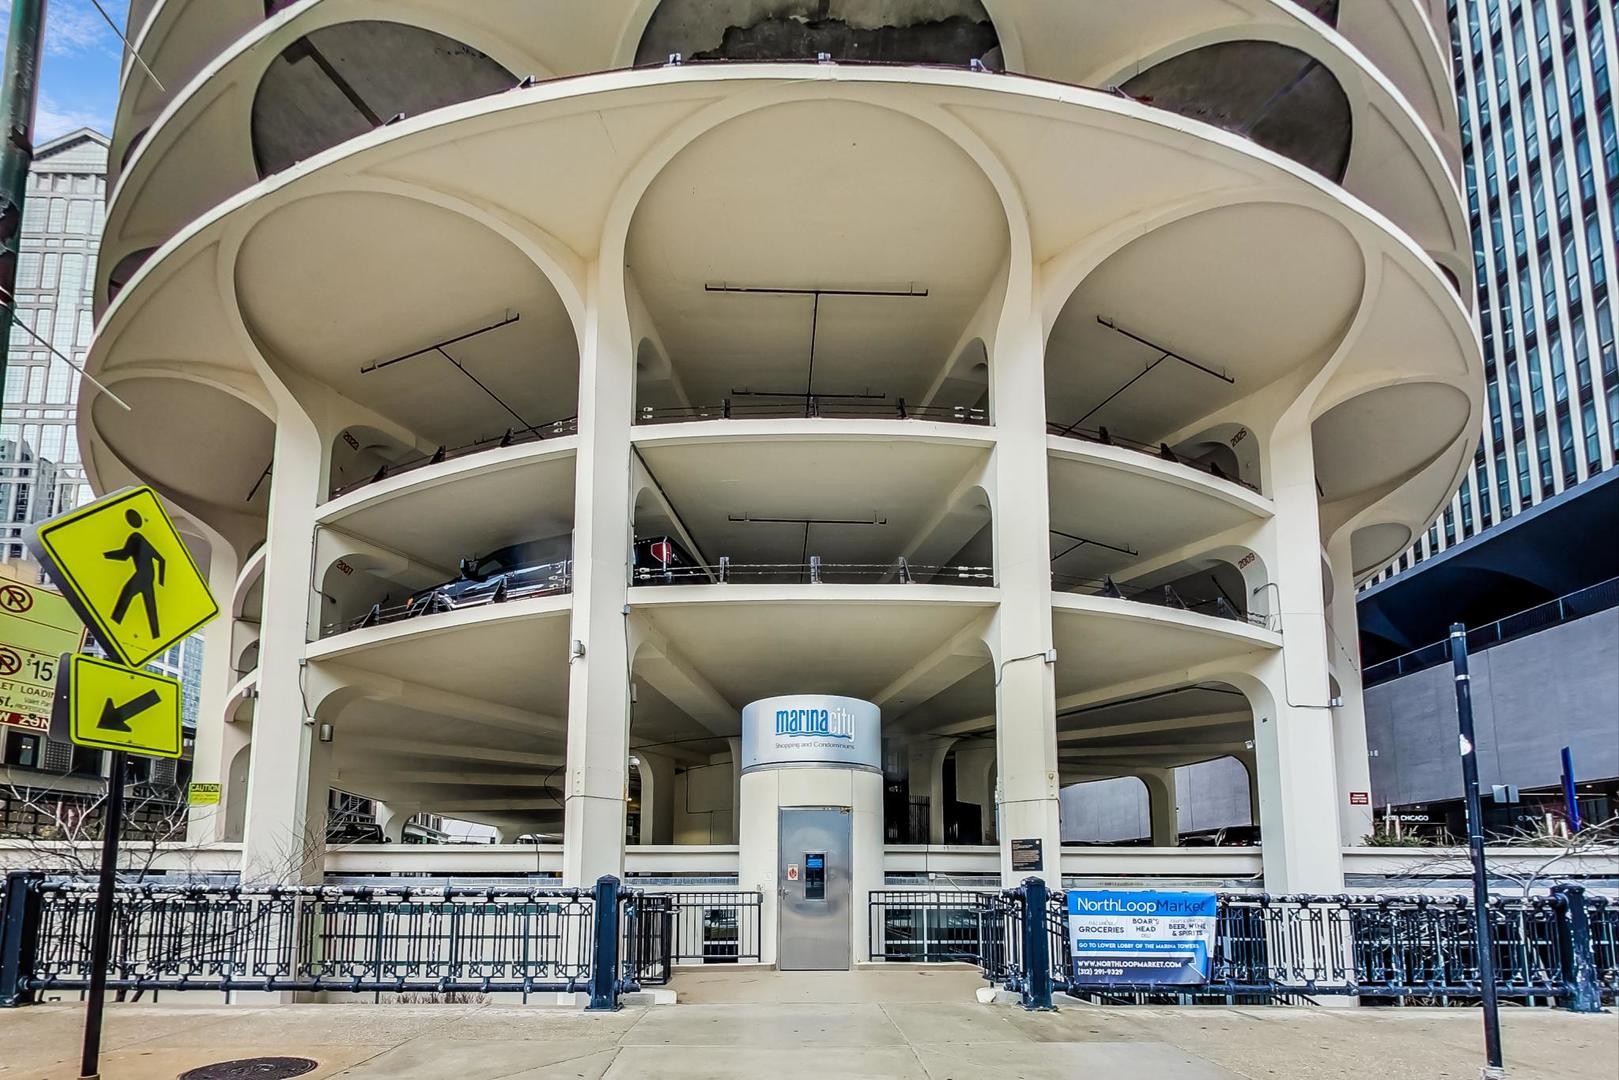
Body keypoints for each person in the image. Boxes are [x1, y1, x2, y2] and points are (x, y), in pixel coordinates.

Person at [104, 508, 166, 638]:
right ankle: (155, 635)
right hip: (149, 576)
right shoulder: (142, 538)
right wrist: (159, 580)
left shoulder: (136, 537)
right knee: (151, 607)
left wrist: (103, 555)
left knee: (125, 596)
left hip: (142, 575)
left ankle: (114, 628)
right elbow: (161, 560)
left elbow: (123, 555)